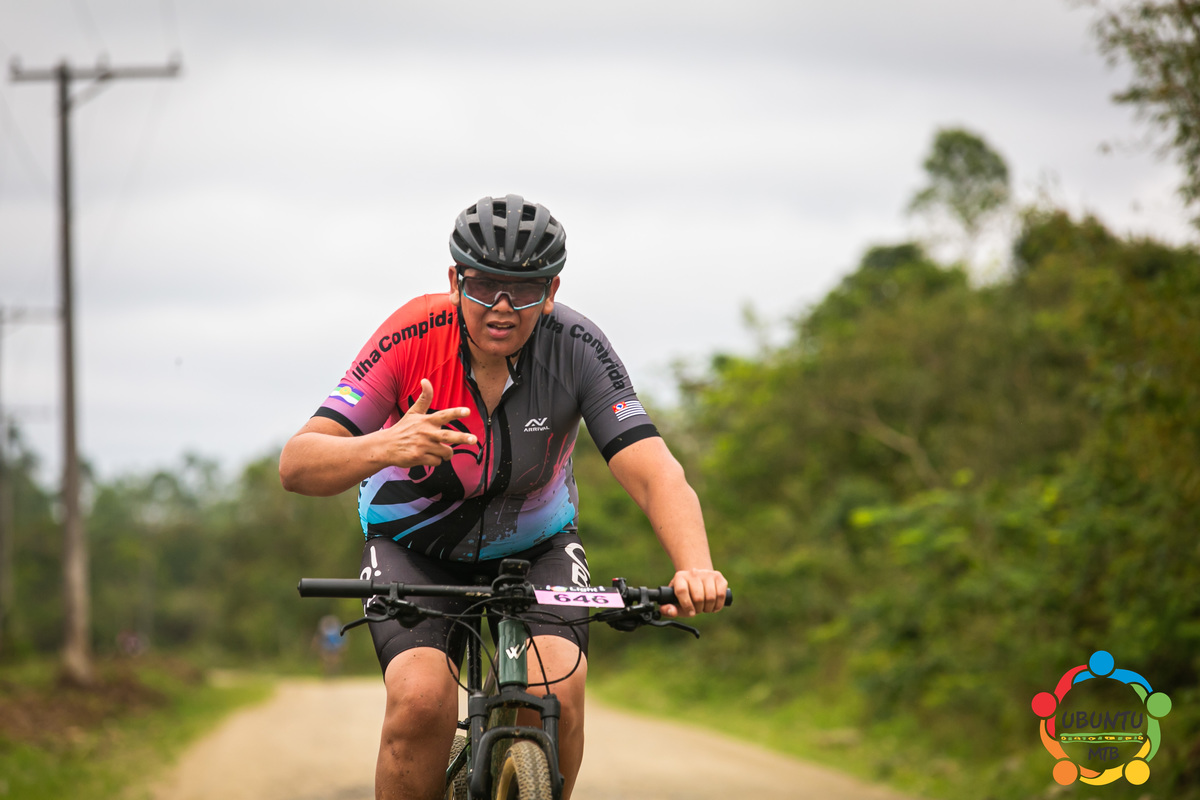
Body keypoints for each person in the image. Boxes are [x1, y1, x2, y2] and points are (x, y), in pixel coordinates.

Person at [279, 194, 727, 800]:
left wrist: (695, 565)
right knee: (420, 701)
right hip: (414, 548)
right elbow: (298, 464)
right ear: (455, 281)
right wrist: (387, 444)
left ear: (552, 290)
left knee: (560, 694)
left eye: (524, 289)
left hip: (537, 548)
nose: (502, 306)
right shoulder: (410, 335)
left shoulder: (578, 346)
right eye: (485, 285)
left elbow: (653, 470)